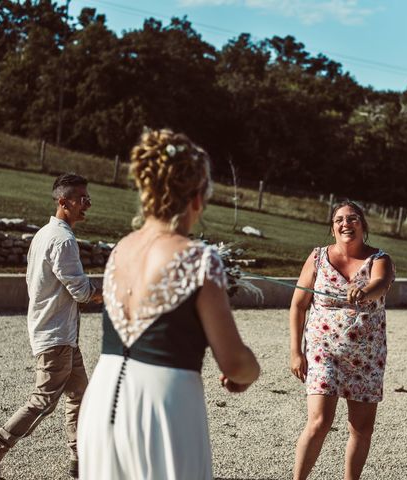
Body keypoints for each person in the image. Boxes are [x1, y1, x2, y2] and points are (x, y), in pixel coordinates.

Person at [77, 128, 260, 479]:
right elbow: (235, 363)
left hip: (102, 399)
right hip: (162, 407)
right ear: (195, 198)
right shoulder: (198, 259)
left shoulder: (121, 251)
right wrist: (251, 371)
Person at [0, 173, 103, 480]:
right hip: (55, 336)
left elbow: (34, 283)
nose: (87, 206)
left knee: (81, 393)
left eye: (88, 199)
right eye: (82, 200)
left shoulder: (43, 235)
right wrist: (107, 293)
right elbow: (81, 291)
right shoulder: (63, 240)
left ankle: (79, 459)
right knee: (43, 401)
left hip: (62, 335)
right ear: (63, 201)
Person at [289, 200, 395, 480]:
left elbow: (380, 284)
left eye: (353, 218)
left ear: (363, 225)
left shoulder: (379, 259)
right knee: (319, 422)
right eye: (339, 219)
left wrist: (364, 289)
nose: (346, 223)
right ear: (332, 227)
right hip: (324, 350)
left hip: (367, 355)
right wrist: (295, 352)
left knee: (360, 428)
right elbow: (299, 305)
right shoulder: (317, 257)